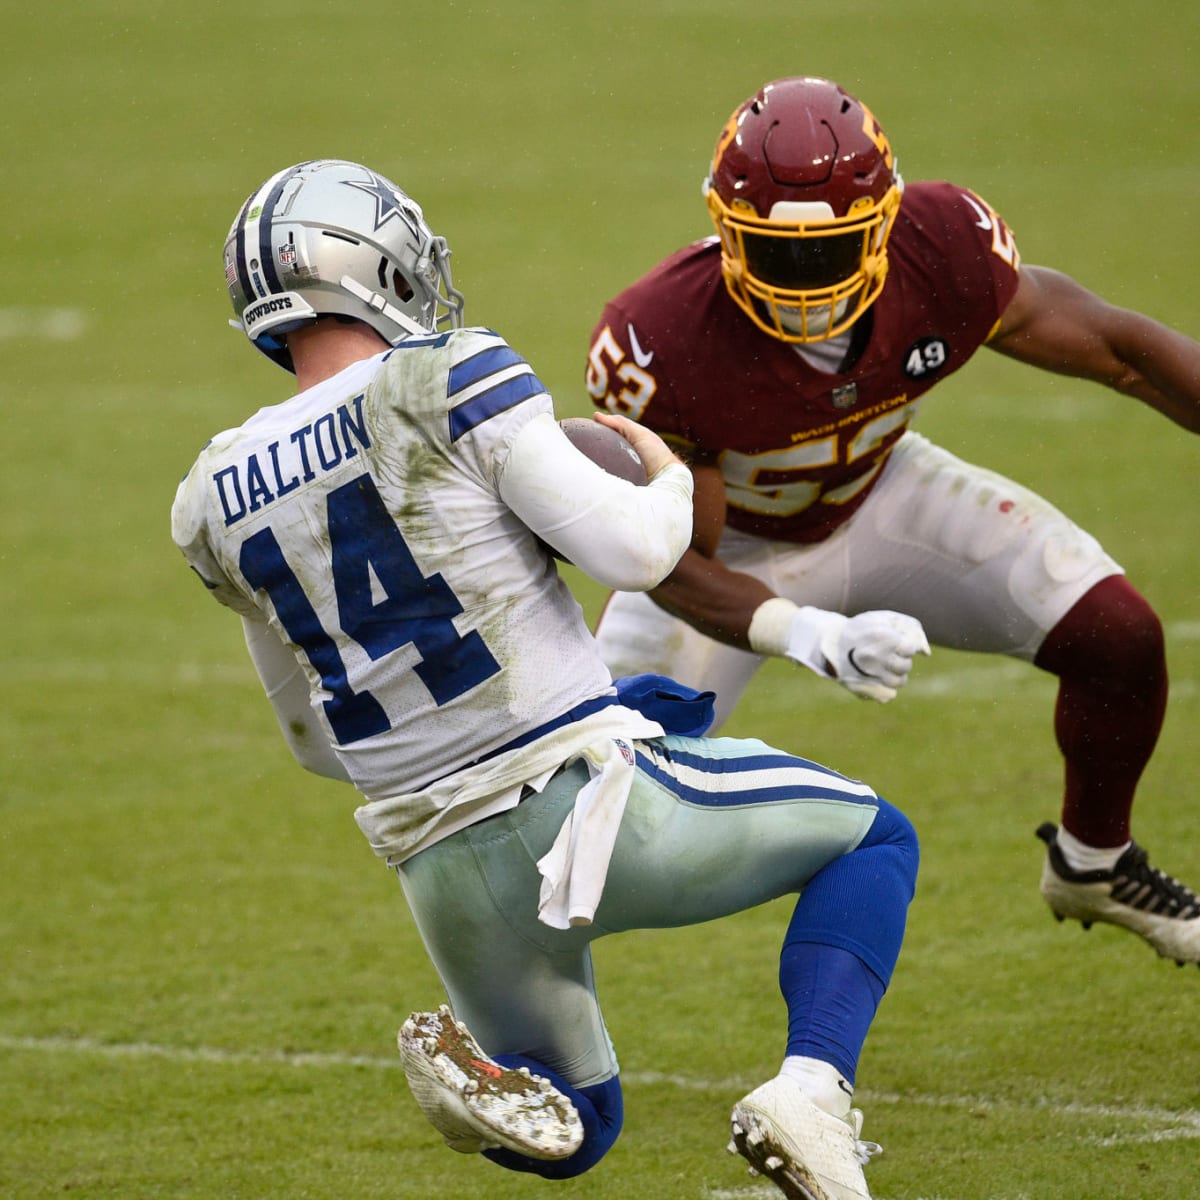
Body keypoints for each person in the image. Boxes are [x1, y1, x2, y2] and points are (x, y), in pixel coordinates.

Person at [171, 158, 922, 1200]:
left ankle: (498, 1080)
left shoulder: (211, 492)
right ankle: (812, 1092)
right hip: (581, 805)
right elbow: (636, 558)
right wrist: (661, 472)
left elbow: (312, 742)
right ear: (372, 261)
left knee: (577, 1121)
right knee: (874, 838)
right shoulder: (442, 375)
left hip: (435, 865)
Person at [586, 75, 1200, 969]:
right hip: (728, 562)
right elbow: (675, 564)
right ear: (724, 231)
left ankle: (1094, 862)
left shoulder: (944, 249)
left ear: (887, 221)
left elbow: (1112, 348)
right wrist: (804, 633)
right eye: (775, 251)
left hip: (882, 492)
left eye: (830, 250)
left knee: (1118, 636)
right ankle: (515, 1040)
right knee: (580, 801)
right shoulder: (662, 339)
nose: (805, 283)